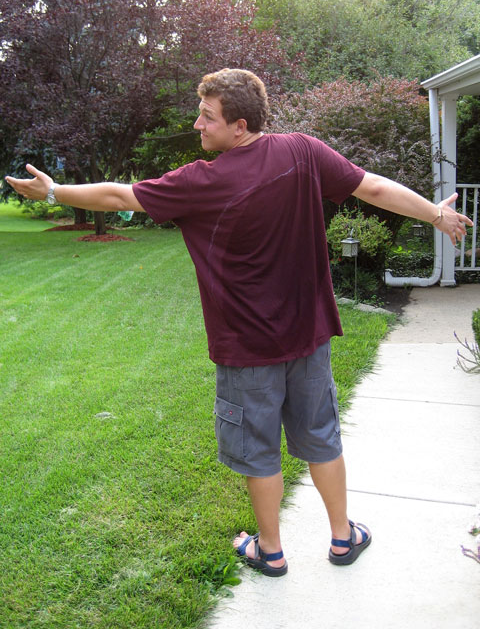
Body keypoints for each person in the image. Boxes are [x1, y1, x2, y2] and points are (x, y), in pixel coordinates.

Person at [5, 68, 472, 578]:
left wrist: (54, 192)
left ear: (239, 125)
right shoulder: (303, 151)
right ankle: (343, 537)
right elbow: (374, 188)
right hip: (308, 336)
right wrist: (436, 215)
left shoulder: (201, 181)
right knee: (321, 436)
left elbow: (120, 197)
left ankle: (270, 551)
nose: (198, 125)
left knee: (260, 451)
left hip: (247, 349)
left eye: (207, 116)